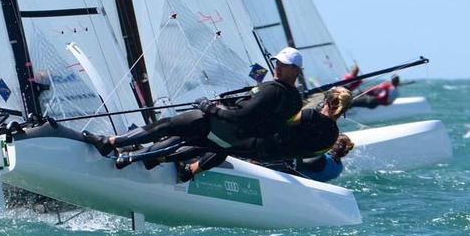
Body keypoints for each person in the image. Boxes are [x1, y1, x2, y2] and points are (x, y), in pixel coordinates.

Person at [83, 46, 305, 170]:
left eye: (283, 65)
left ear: (295, 70)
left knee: (167, 126)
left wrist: (209, 107)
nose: (277, 67)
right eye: (277, 63)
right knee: (183, 141)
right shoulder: (296, 100)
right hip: (234, 140)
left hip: (219, 125)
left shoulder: (271, 89)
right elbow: (274, 126)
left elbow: (241, 114)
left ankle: (110, 142)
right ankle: (135, 160)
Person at [172, 86, 352, 182]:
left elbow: (283, 121)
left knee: (221, 140)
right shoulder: (333, 140)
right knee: (226, 145)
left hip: (269, 151)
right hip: (277, 157)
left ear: (328, 102)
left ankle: (182, 165)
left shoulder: (312, 117)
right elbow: (308, 153)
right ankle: (191, 165)